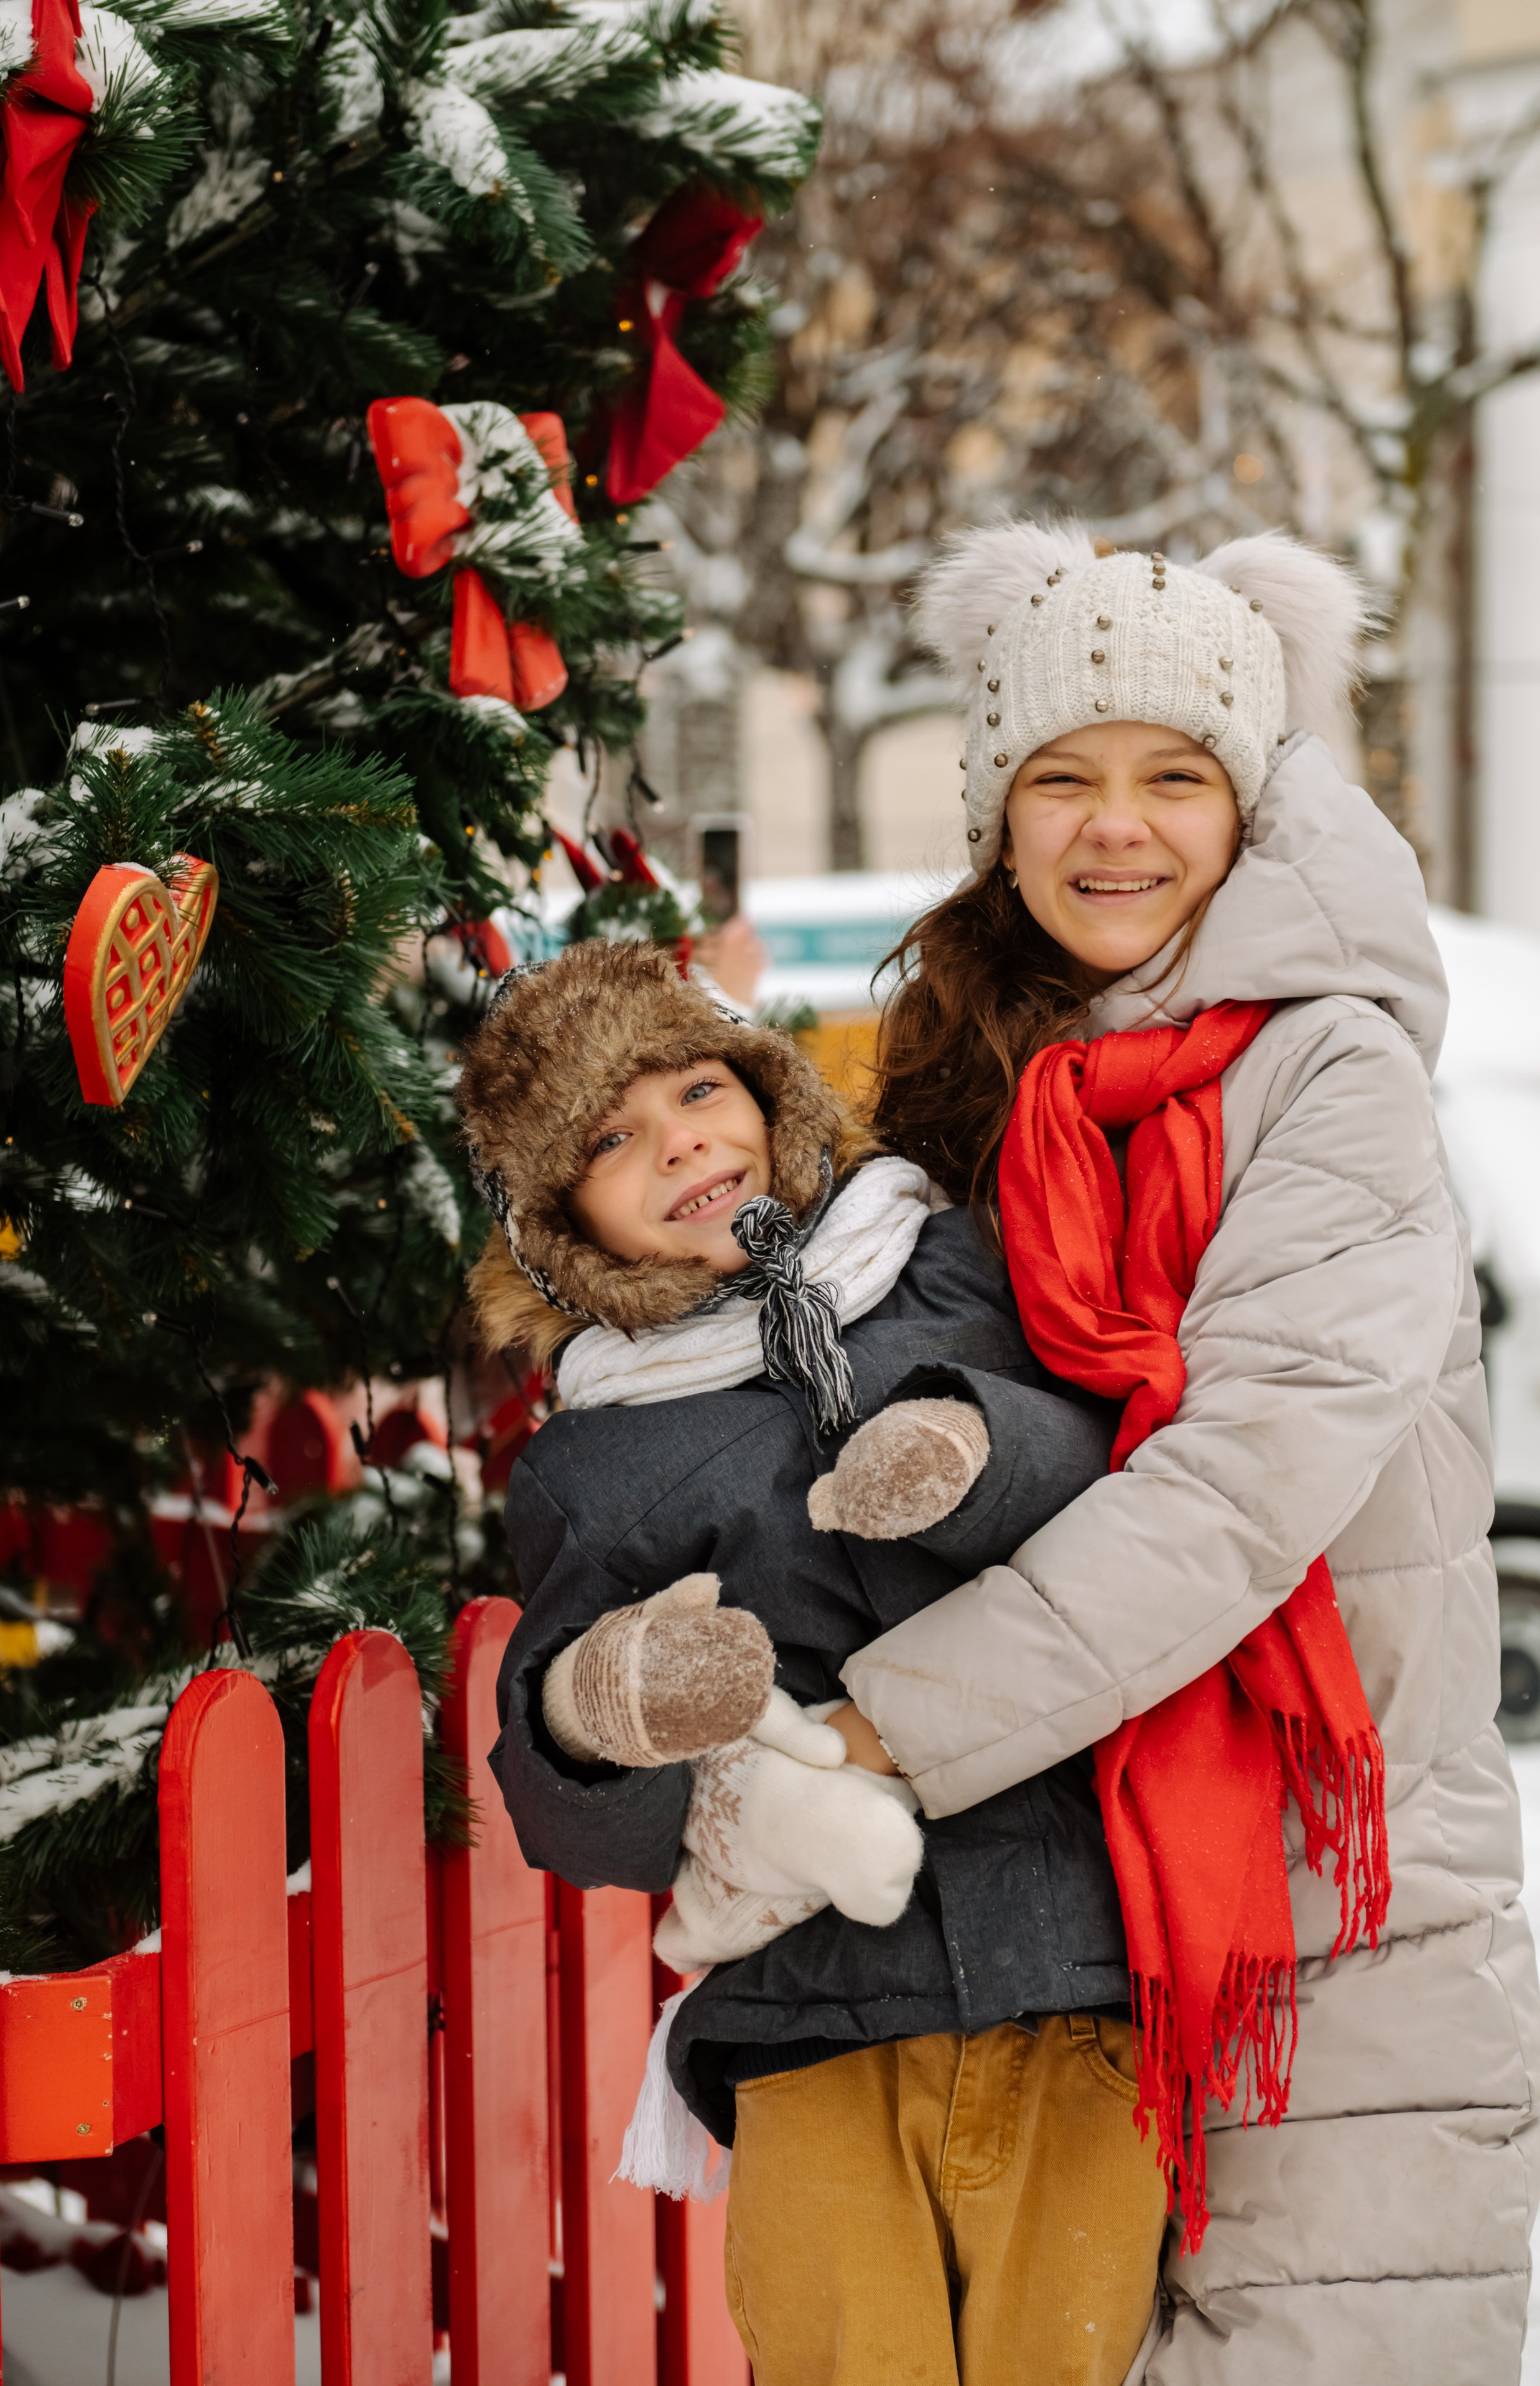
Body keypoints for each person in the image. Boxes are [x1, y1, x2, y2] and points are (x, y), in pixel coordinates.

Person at [814, 519, 1540, 2384]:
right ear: (998, 808)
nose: (1115, 826)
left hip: (1339, 1941)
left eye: (1174, 775)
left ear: (1252, 801)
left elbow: (1240, 1489)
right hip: (1073, 1922)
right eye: (1061, 774)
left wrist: (879, 1729)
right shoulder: (995, 1070)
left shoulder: (1331, 1072)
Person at [460, 937, 1167, 2386]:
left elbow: (1113, 1480)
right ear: (559, 1222)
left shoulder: (945, 1259)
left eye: (699, 1089)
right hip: (812, 2019)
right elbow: (565, 1802)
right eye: (612, 1138)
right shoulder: (594, 1456)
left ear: (769, 1093)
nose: (681, 1142)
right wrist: (597, 1710)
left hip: (1076, 1965)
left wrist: (973, 1449)